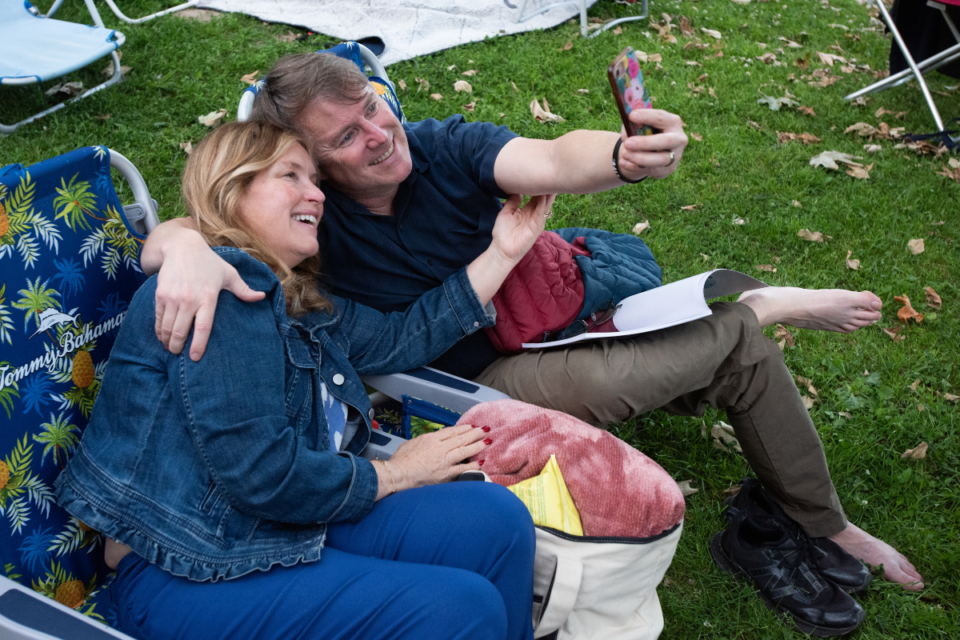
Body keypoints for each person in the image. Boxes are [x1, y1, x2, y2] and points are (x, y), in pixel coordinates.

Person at [141, 52, 922, 592]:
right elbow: (198, 222)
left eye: (374, 109)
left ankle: (827, 521)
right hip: (477, 381)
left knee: (735, 356)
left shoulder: (440, 148)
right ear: (312, 166)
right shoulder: (312, 218)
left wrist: (622, 156)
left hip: (555, 329)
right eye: (346, 137)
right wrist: (180, 248)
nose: (381, 136)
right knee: (739, 339)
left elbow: (548, 157)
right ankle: (753, 308)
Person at [54, 121, 553, 640]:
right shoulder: (220, 290)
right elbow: (262, 472)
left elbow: (399, 339)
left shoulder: (295, 297)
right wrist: (397, 474)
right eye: (290, 175)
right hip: (185, 564)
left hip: (275, 523)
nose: (316, 192)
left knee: (495, 523)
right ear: (232, 188)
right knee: (460, 610)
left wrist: (503, 252)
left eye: (314, 178)